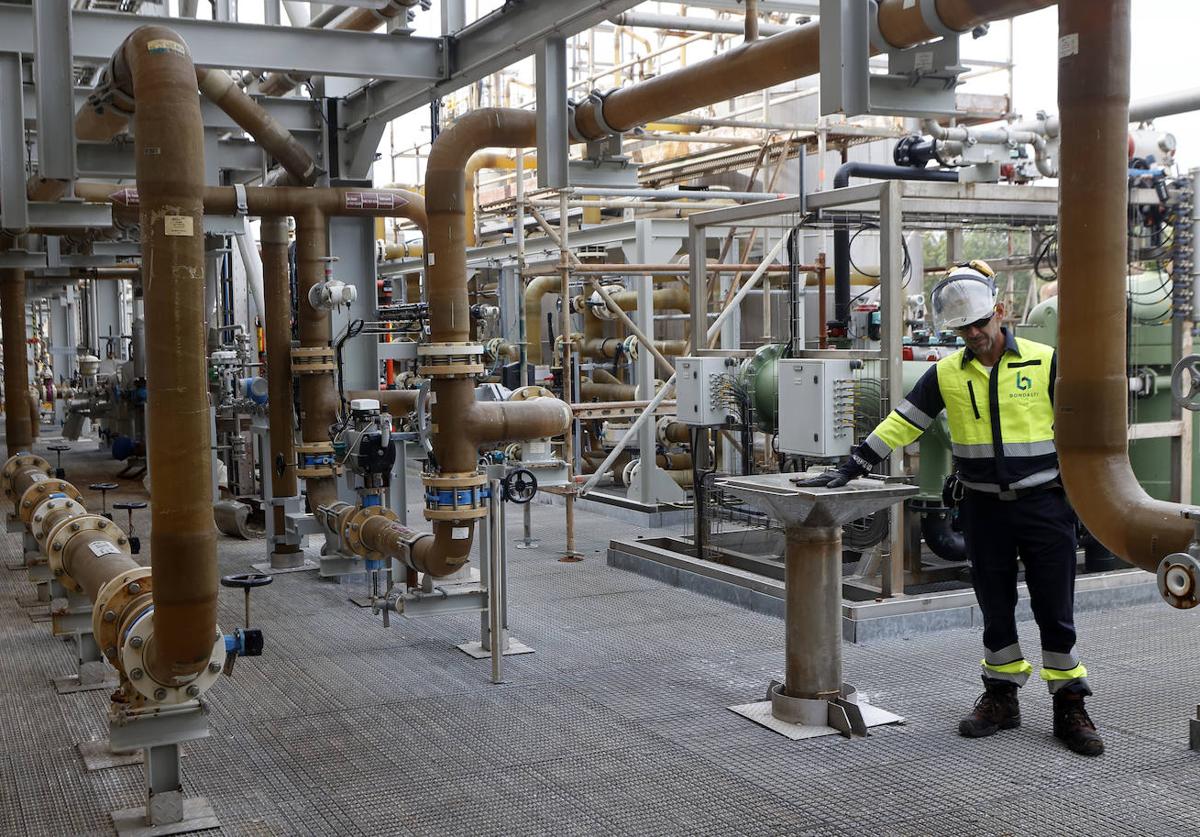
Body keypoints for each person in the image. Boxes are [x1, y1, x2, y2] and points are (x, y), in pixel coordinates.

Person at [797, 261, 1103, 756]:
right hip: (983, 510)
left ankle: (1069, 704)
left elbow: (1087, 425)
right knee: (994, 605)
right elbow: (905, 421)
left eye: (981, 324)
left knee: (1055, 607)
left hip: (1045, 505)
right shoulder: (946, 374)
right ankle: (1001, 697)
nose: (975, 335)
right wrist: (853, 464)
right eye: (964, 329)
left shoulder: (1046, 362)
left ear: (999, 313)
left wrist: (1090, 491)